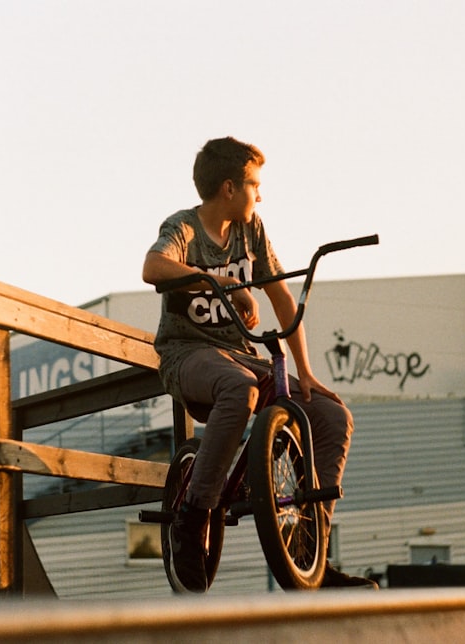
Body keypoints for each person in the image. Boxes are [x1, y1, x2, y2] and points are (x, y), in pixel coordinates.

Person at [141, 136, 376, 592]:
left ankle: (312, 555)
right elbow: (153, 268)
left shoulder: (253, 230)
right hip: (188, 355)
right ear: (229, 188)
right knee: (240, 387)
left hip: (241, 357)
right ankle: (195, 514)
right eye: (254, 184)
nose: (260, 194)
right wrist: (216, 281)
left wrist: (305, 372)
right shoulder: (184, 228)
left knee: (330, 415)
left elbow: (282, 298)